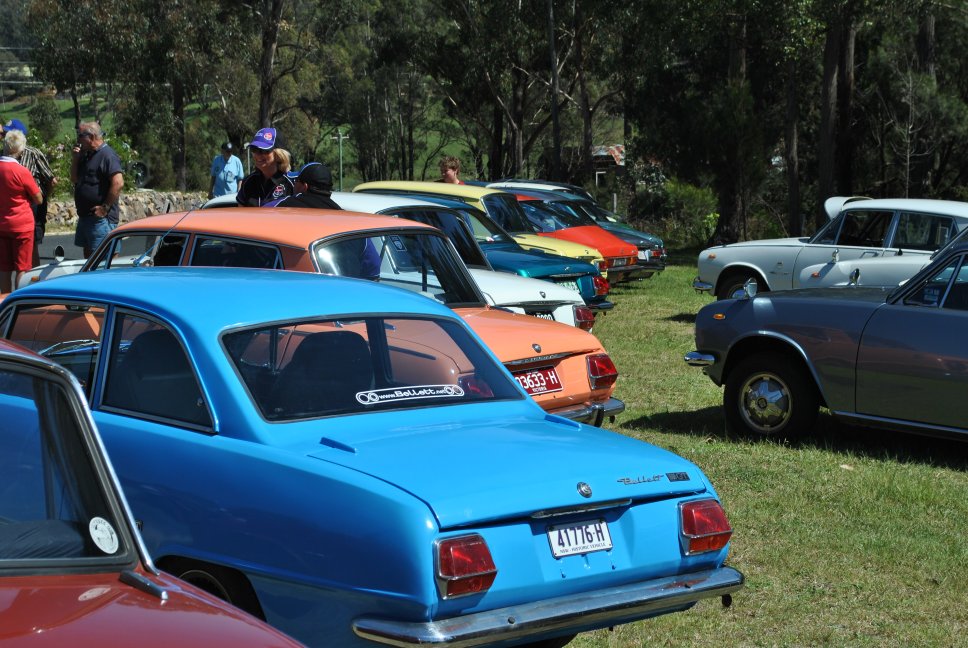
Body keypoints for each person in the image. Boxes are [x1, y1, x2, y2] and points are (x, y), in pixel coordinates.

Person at [1, 119, 56, 267]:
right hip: (10, 207)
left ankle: (33, 276)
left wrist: (43, 197)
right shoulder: (3, 155)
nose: (4, 136)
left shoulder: (33, 154)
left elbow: (51, 179)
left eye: (7, 133)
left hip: (33, 205)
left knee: (31, 247)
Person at [71, 122, 124, 258]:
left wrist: (104, 208)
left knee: (105, 259)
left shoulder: (108, 155)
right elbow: (74, 179)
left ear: (91, 137)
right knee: (89, 262)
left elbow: (118, 183)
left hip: (101, 220)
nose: (78, 139)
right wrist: (75, 159)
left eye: (80, 136)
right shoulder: (86, 155)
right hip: (86, 217)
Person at [0, 130, 43, 292]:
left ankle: (4, 300)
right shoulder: (21, 171)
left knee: (4, 268)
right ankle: (18, 302)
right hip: (21, 225)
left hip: (2, 223)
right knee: (22, 267)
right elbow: (38, 198)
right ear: (20, 149)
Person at [236, 127, 294, 206]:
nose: (257, 155)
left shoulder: (291, 183)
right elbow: (240, 212)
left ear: (279, 154)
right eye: (254, 149)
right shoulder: (248, 182)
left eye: (263, 150)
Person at [268, 162, 340, 209]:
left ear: (305, 186)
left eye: (296, 180)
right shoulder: (338, 211)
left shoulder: (283, 204)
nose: (294, 183)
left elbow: (263, 212)